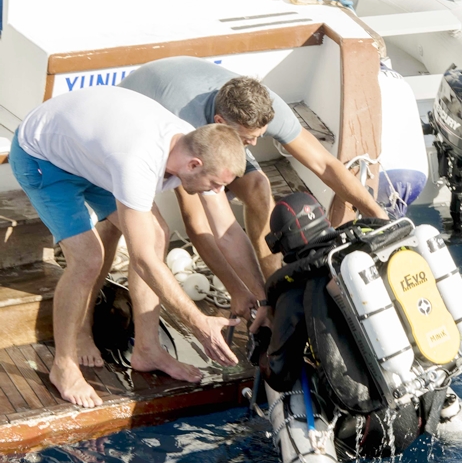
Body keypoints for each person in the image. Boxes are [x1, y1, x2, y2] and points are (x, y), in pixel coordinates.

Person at [9, 86, 268, 410]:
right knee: (88, 258)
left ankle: (147, 349)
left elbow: (227, 232)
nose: (217, 192)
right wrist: (198, 322)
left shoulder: (198, 146)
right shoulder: (136, 160)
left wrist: (262, 299)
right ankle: (64, 366)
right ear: (193, 165)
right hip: (43, 158)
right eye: (215, 185)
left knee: (158, 232)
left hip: (92, 157)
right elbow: (143, 259)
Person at [121, 56, 388, 278]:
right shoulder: (186, 128)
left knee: (259, 186)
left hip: (185, 88)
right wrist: (245, 294)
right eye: (249, 139)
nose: (256, 143)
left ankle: (273, 276)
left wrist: (375, 212)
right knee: (155, 236)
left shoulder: (265, 106)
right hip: (137, 118)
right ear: (220, 122)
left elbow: (325, 164)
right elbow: (197, 223)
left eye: (261, 134)